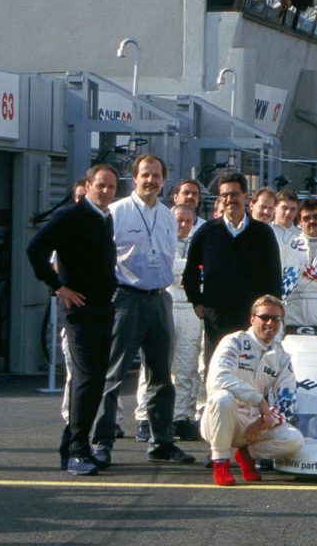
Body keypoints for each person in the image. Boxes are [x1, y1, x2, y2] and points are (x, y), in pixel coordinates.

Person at [28, 164, 120, 476]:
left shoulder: (104, 218)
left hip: (103, 308)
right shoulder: (72, 215)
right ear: (88, 185)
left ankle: (74, 444)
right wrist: (57, 286)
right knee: (85, 378)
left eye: (110, 186)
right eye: (100, 185)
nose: (106, 191)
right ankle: (77, 451)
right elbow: (35, 247)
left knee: (96, 380)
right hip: (80, 312)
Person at [102, 155, 193, 462]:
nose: (150, 180)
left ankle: (162, 442)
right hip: (126, 298)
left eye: (156, 176)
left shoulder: (168, 217)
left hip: (159, 299)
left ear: (163, 180)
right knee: (113, 374)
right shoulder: (116, 213)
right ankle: (102, 443)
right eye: (145, 175)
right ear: (134, 178)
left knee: (161, 377)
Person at [203, 295, 305, 486]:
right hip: (222, 416)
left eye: (276, 319)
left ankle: (246, 455)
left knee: (295, 440)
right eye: (264, 317)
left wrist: (263, 420)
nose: (270, 323)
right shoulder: (234, 342)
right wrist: (259, 399)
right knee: (222, 397)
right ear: (252, 319)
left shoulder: (282, 356)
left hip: (254, 421)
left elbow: (288, 400)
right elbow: (219, 378)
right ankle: (220, 463)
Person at [184, 171, 285, 361]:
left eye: (235, 194)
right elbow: (190, 272)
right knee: (217, 370)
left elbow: (273, 276)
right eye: (225, 195)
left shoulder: (262, 233)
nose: (230, 199)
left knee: (252, 369)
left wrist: (270, 313)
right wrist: (196, 301)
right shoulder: (207, 232)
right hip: (217, 318)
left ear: (245, 196)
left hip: (253, 317)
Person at [165, 203, 204, 440]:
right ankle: (146, 417)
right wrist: (188, 269)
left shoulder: (197, 245)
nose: (182, 225)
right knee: (157, 365)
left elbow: (201, 271)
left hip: (189, 307)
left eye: (188, 221)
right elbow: (166, 270)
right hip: (167, 304)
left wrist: (186, 270)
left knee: (187, 366)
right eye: (179, 220)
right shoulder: (161, 241)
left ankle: (182, 416)